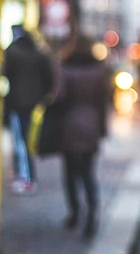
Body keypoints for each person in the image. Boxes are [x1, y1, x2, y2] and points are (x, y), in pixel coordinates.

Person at [54, 32, 110, 240]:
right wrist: (102, 130)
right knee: (88, 175)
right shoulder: (99, 70)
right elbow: (104, 103)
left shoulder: (65, 67)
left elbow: (59, 96)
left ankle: (74, 213)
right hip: (91, 127)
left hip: (68, 126)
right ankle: (92, 217)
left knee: (69, 174)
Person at [3, 24, 53, 194]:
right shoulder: (38, 52)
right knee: (27, 140)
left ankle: (27, 178)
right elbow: (49, 78)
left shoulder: (13, 52)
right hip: (34, 102)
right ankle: (24, 175)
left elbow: (5, 72)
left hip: (18, 102)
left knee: (21, 141)